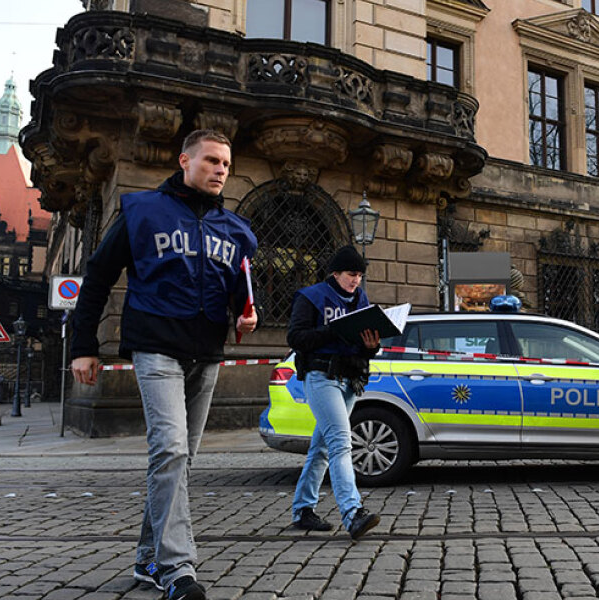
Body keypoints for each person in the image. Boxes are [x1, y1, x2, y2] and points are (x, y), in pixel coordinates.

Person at [70, 129, 257, 600]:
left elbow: (240, 290)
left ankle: (148, 559)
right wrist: (82, 345)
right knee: (170, 450)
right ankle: (178, 569)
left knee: (181, 460)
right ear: (184, 161)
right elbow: (97, 276)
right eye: (211, 160)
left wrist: (245, 313)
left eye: (226, 164)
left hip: (207, 351)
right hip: (155, 346)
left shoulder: (237, 230)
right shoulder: (141, 210)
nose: (220, 170)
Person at [289, 245, 381, 540]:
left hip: (350, 379)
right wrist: (333, 330)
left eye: (360, 275)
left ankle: (303, 509)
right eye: (352, 274)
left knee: (323, 448)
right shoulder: (311, 297)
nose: (356, 280)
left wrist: (372, 346)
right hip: (321, 376)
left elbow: (364, 345)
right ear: (336, 273)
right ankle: (353, 513)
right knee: (341, 443)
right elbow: (295, 337)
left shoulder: (360, 299)